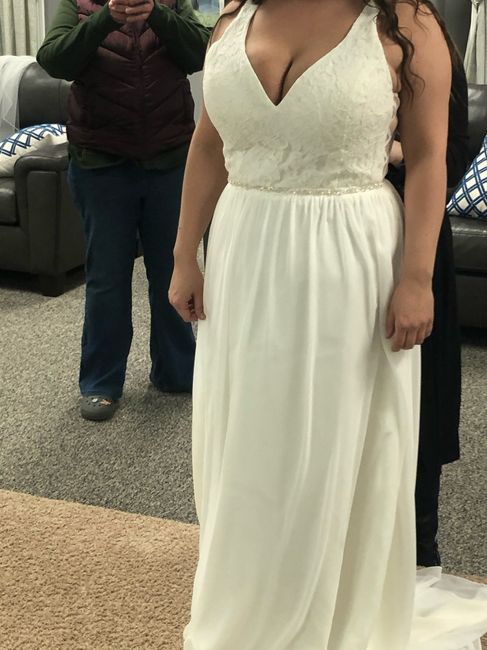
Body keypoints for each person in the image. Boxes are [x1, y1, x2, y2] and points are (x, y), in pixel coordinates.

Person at [170, 0, 487, 647]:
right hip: (244, 254)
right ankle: (250, 603)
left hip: (349, 259)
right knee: (248, 437)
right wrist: (183, 256)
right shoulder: (233, 19)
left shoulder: (405, 22)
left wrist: (417, 277)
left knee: (332, 443)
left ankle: (332, 620)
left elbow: (429, 157)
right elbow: (209, 143)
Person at [37, 0, 211, 421]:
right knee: (107, 277)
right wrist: (104, 19)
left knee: (171, 270)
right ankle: (101, 382)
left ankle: (177, 369)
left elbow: (202, 52)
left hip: (169, 162)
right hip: (101, 164)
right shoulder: (78, 4)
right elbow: (54, 60)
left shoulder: (171, 3)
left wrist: (158, 15)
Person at [386, 1, 470, 568]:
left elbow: (450, 154)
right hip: (326, 247)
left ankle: (420, 556)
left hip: (412, 242)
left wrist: (389, 150)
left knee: (416, 407)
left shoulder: (419, 28)